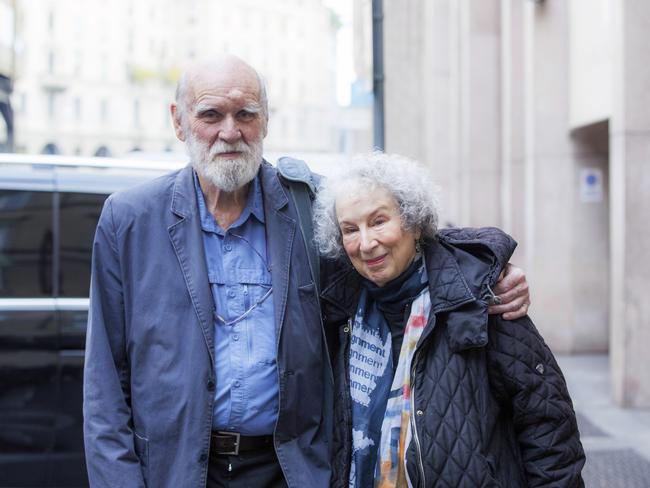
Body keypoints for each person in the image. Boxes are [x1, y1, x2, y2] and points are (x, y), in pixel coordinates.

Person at [82, 56, 531, 488]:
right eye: (210, 114)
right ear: (179, 121)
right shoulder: (130, 220)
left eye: (246, 113)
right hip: (175, 470)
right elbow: (104, 387)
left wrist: (491, 267)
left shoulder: (310, 206)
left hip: (292, 470)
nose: (230, 131)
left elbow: (403, 244)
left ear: (266, 121)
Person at [313, 152, 585, 487]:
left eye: (379, 221)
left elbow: (547, 425)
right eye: (350, 229)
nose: (366, 243)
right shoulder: (338, 309)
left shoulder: (478, 297)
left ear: (413, 221)